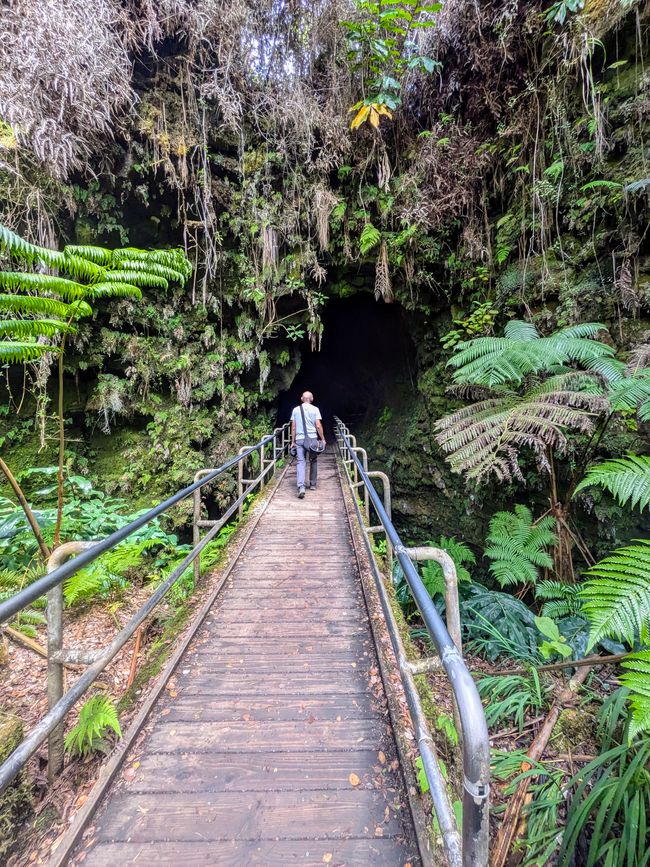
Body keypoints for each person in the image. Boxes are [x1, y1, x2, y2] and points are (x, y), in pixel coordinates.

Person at [290, 391, 326, 498]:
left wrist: (293, 441)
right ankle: (313, 484)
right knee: (313, 460)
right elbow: (318, 425)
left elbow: (293, 427)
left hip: (300, 440)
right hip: (312, 440)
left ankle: (301, 487)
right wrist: (322, 438)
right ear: (312, 399)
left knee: (301, 462)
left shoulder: (296, 410)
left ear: (302, 398)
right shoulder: (315, 409)